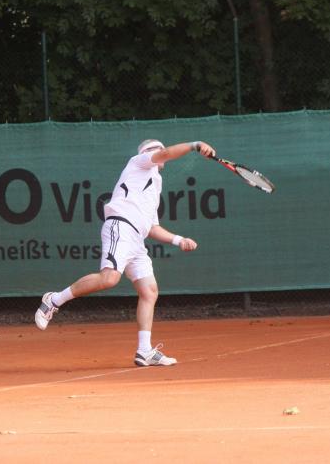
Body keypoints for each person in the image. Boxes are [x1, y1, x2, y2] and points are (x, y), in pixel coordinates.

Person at [35, 138, 216, 366]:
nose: (161, 152)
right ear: (148, 152)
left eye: (160, 149)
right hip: (121, 227)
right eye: (157, 149)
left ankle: (144, 351)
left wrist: (179, 240)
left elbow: (152, 228)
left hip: (137, 239)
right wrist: (195, 145)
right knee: (109, 278)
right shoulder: (138, 162)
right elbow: (166, 153)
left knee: (149, 291)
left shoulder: (154, 184)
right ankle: (53, 300)